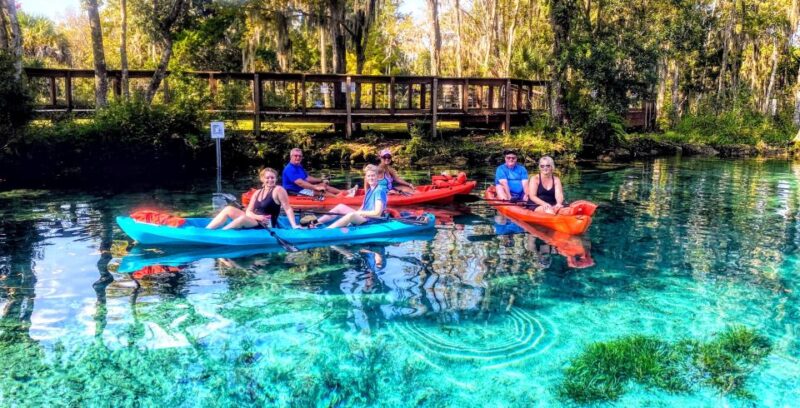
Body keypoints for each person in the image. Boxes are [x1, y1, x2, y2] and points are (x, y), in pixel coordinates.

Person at [206, 168, 300, 230]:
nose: (270, 180)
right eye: (267, 178)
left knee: (242, 218)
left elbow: (287, 208)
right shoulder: (257, 192)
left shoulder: (278, 190)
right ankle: (207, 230)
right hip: (255, 219)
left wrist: (294, 225)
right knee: (228, 209)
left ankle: (221, 233)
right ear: (262, 179)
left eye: (273, 178)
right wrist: (257, 217)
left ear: (276, 179)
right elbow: (248, 211)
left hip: (266, 224)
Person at [317, 164, 387, 228]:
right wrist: (358, 213)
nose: (371, 178)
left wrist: (358, 213)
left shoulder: (379, 191)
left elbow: (377, 213)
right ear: (366, 177)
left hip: (371, 220)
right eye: (368, 176)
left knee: (351, 215)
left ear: (377, 177)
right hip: (364, 217)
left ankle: (327, 230)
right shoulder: (370, 190)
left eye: (373, 175)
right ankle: (316, 223)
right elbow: (363, 207)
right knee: (340, 207)